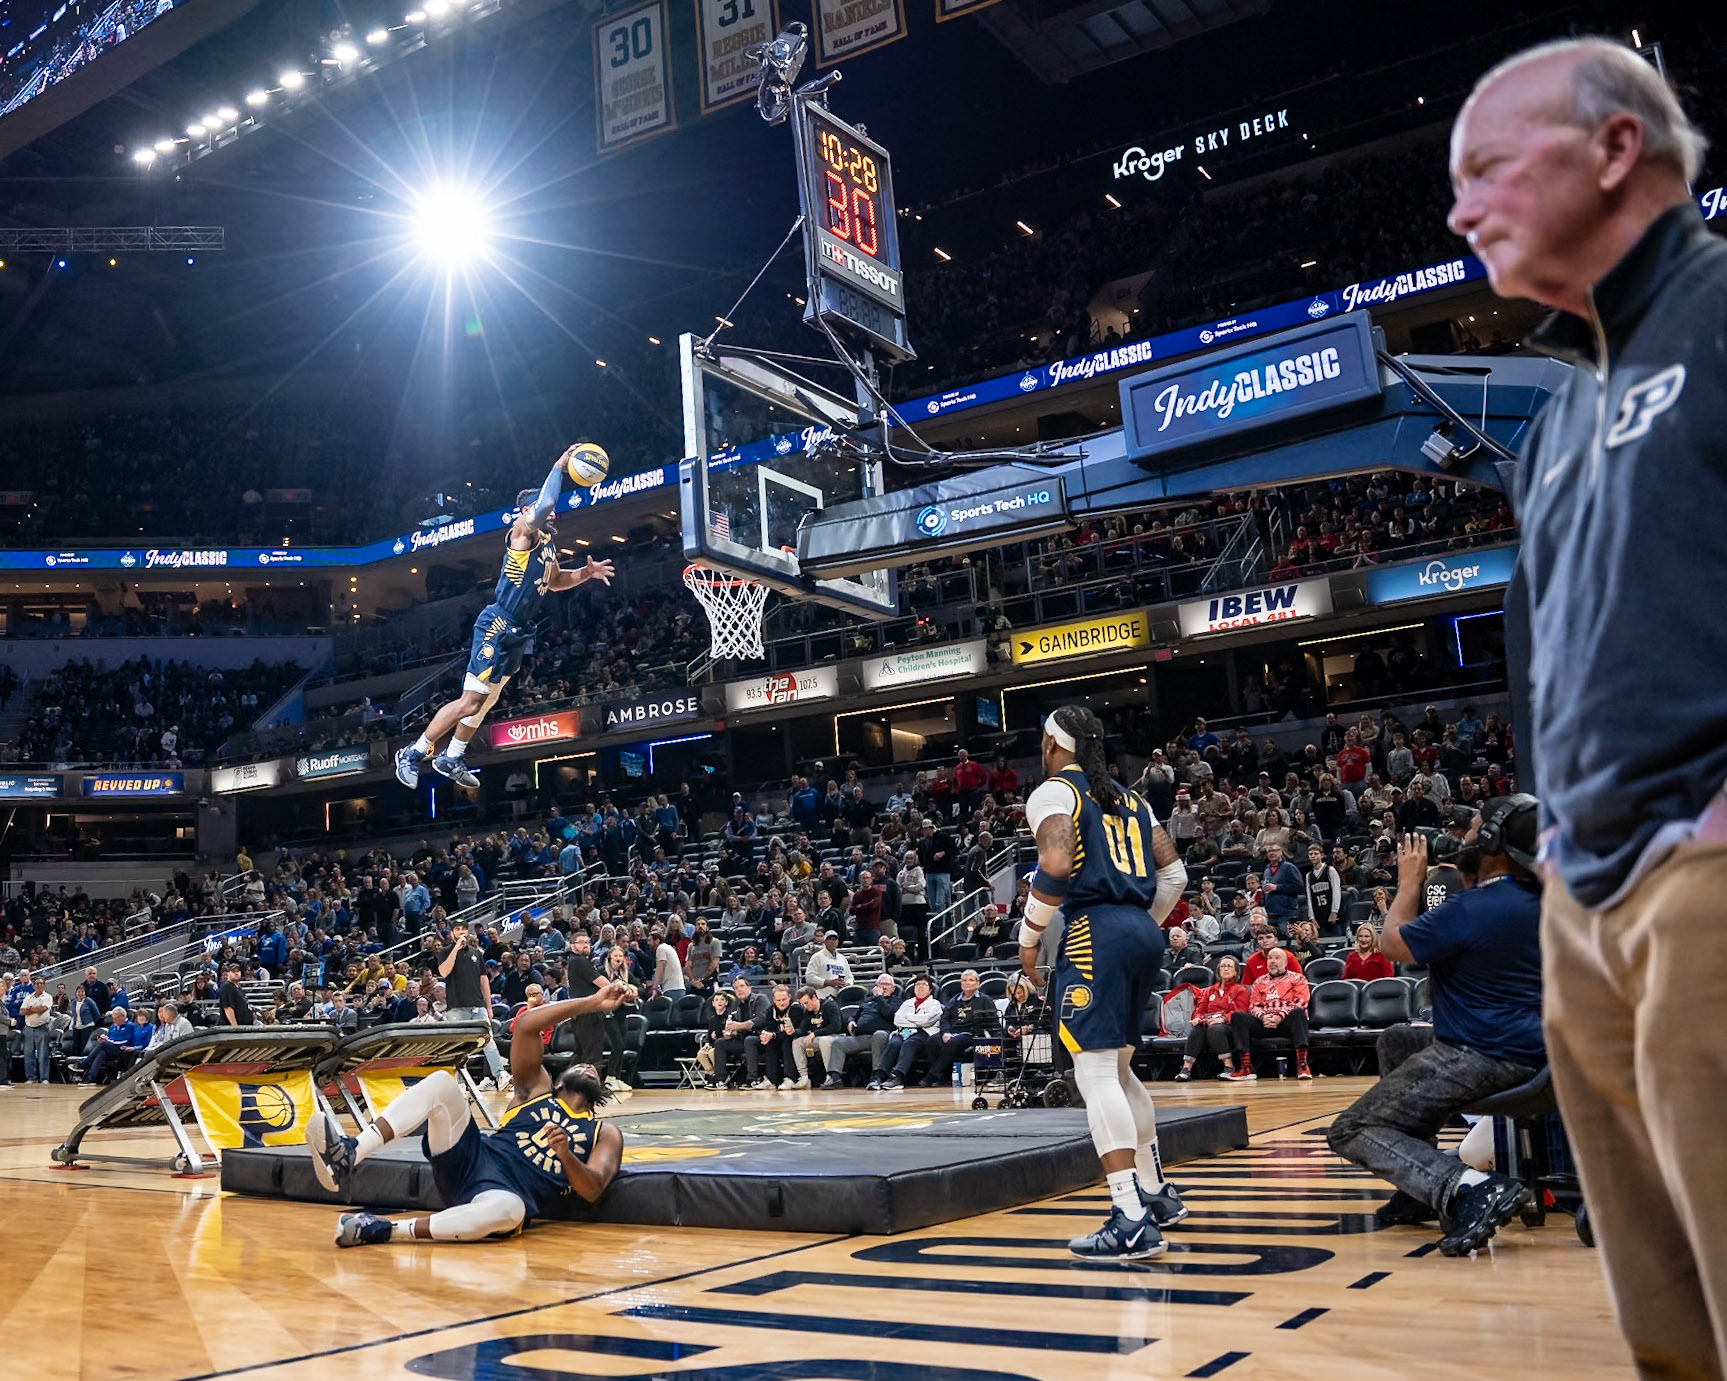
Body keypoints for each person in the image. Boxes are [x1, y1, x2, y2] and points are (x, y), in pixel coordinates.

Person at [1450, 40, 1724, 1362]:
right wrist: (1555, 856)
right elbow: (1544, 656)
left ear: (1615, 149)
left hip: (1706, 870)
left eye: (1486, 167)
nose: (1458, 208)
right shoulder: (1551, 423)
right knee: (1663, 1327)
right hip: (1588, 907)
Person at [1328, 798, 1546, 1257]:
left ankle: (1465, 1188)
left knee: (1351, 1128)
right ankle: (1415, 1192)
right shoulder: (1537, 899)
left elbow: (1393, 944)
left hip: (1485, 1053)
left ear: (1493, 841)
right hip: (1535, 1050)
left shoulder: (1472, 908)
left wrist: (1409, 885)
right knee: (1398, 1042)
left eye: (1476, 828)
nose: (1466, 833)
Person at [1019, 704, 1188, 1261]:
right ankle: (1157, 1193)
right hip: (1142, 929)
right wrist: (1141, 924)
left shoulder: (1054, 793)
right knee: (1119, 1069)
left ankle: (1130, 1218)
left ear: (1050, 745)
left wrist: (1027, 939)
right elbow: (1174, 874)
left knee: (1094, 1075)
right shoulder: (1130, 796)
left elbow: (1056, 866)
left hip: (1096, 930)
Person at [308, 978, 634, 1246]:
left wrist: (566, 1155)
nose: (590, 1067)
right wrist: (592, 1002)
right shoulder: (534, 1089)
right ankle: (349, 1153)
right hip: (469, 1157)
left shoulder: (603, 1133)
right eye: (582, 1065)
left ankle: (385, 1230)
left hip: (503, 1192)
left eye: (595, 1070)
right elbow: (526, 1025)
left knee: (511, 1211)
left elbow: (592, 1190)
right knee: (440, 1084)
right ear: (562, 1079)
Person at [395, 445, 615, 790]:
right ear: (527, 510)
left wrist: (585, 574)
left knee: (487, 701)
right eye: (544, 508)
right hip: (498, 623)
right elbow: (545, 504)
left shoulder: (548, 545)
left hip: (520, 629)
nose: (554, 514)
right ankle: (413, 752)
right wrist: (559, 466)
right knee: (470, 700)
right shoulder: (522, 531)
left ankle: (452, 755)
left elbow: (556, 581)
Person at [1227, 948, 1311, 1081]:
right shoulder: (1259, 982)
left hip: (1286, 1023)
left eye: (1277, 958)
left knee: (1298, 1013)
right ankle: (1246, 1067)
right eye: (1270, 958)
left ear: (1285, 962)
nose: (1272, 961)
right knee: (1238, 1016)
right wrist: (1263, 1017)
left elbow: (1301, 1002)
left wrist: (1280, 1016)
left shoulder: (1298, 978)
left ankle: (1302, 1065)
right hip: (1264, 1023)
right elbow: (1253, 1006)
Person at [437, 923, 506, 1087]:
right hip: (456, 1008)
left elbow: (484, 981)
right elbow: (444, 972)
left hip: (478, 1005)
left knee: (488, 1041)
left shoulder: (477, 953)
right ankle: (460, 1082)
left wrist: (489, 1007)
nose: (461, 932)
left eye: (463, 929)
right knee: (459, 1047)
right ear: (452, 933)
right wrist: (456, 949)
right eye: (457, 929)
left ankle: (500, 1075)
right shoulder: (445, 951)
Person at [922, 969, 1002, 1087]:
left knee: (954, 1043)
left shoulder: (985, 1000)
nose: (967, 983)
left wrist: (997, 1037)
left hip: (972, 1033)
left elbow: (992, 1022)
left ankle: (932, 1075)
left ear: (977, 983)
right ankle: (944, 1077)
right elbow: (945, 1018)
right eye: (964, 980)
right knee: (932, 1041)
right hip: (953, 1031)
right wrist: (945, 1032)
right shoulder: (955, 1000)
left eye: (971, 980)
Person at [1175, 955, 1249, 1081]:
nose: (1225, 968)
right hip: (1209, 1023)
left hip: (1229, 1026)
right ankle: (1186, 1069)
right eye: (1223, 966)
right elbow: (1200, 1010)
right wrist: (1198, 1018)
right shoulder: (1209, 990)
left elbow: (1240, 1013)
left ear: (1236, 971)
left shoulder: (1240, 990)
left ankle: (1229, 1067)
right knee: (1198, 1029)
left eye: (1229, 966)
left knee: (1215, 1029)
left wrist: (1222, 1019)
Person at [822, 973, 897, 1089]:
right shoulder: (867, 1001)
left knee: (879, 1035)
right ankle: (835, 1078)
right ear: (876, 985)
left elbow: (888, 1014)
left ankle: (877, 1076)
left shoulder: (895, 1000)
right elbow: (855, 1016)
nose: (884, 987)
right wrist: (851, 1021)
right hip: (860, 1036)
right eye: (881, 984)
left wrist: (879, 997)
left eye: (887, 984)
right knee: (838, 1042)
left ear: (893, 988)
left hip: (880, 1036)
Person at [873, 975, 941, 1091]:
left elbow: (927, 1021)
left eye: (924, 985)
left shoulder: (935, 1004)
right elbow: (897, 1020)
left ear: (930, 989)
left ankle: (897, 1077)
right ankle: (879, 1076)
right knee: (894, 1042)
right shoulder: (907, 1003)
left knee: (910, 1043)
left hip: (924, 1032)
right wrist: (917, 1020)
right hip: (905, 1031)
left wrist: (908, 1017)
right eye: (917, 984)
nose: (920, 987)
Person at [19, 975, 54, 1084]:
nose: (38, 985)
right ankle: (31, 1078)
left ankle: (44, 1078)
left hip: (42, 1028)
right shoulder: (28, 997)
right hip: (28, 1028)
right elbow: (21, 1012)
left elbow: (42, 1010)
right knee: (28, 1055)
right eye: (37, 983)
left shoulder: (47, 997)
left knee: (43, 1055)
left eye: (41, 983)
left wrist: (30, 1008)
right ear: (33, 985)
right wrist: (34, 1009)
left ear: (44, 985)